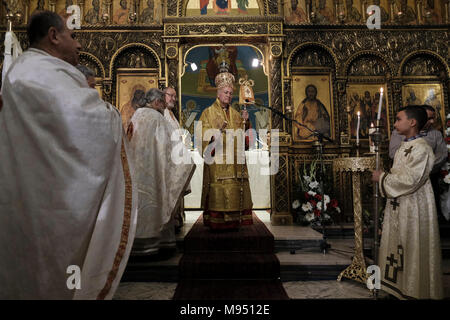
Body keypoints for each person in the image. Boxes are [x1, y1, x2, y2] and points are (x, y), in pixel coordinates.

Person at [0, 11, 137, 299]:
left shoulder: (29, 70)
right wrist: (115, 116)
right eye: (73, 36)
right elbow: (85, 123)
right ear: (53, 36)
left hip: (36, 191)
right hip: (49, 200)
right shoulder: (39, 73)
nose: (79, 45)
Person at [372, 105, 443, 299]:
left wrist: (382, 178)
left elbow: (411, 180)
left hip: (414, 206)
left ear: (412, 122)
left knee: (412, 244)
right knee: (398, 245)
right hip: (399, 203)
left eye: (398, 119)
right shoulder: (404, 145)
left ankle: (414, 289)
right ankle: (398, 286)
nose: (394, 123)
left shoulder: (422, 148)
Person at [127, 88, 194, 255]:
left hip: (136, 175)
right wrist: (186, 160)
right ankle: (157, 243)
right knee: (157, 204)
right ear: (157, 102)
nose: (164, 108)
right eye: (162, 104)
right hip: (154, 175)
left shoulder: (136, 115)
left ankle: (136, 244)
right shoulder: (157, 118)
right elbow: (172, 149)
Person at [199, 66, 253, 229]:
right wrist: (216, 133)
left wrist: (246, 122)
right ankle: (217, 221)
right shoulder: (207, 113)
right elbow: (201, 137)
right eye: (225, 92)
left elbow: (245, 140)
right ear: (218, 92)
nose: (228, 96)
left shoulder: (237, 114)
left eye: (230, 93)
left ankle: (236, 220)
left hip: (235, 161)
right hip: (218, 161)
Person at [389, 105, 447, 220]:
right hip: (402, 179)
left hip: (428, 177)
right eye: (428, 117)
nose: (431, 121)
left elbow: (442, 155)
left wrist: (425, 166)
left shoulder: (433, 136)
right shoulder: (399, 133)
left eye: (433, 118)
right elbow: (393, 154)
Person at [163, 86, 192, 232]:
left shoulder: (171, 113)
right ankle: (171, 222)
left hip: (177, 158)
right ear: (164, 95)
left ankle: (176, 219)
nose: (173, 99)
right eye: (171, 96)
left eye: (175, 96)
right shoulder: (162, 113)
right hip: (169, 159)